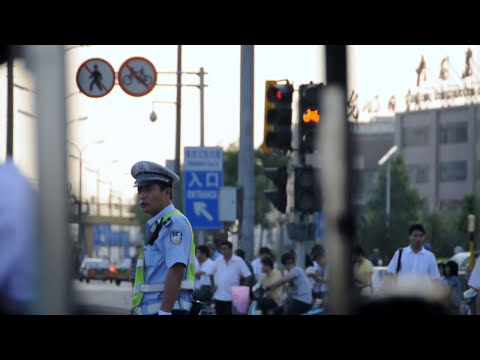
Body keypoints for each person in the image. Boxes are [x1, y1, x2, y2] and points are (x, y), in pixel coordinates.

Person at [130, 160, 196, 315]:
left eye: (148, 189)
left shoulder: (175, 223)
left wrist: (164, 312)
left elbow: (176, 270)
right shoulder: (158, 225)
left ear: (167, 192)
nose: (142, 195)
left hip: (167, 311)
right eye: (140, 189)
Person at [209, 241, 252, 315]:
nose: (223, 251)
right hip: (219, 295)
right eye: (222, 249)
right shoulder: (218, 260)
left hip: (233, 297)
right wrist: (213, 287)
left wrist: (241, 289)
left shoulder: (238, 260)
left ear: (231, 249)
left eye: (225, 249)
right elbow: (210, 273)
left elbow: (247, 275)